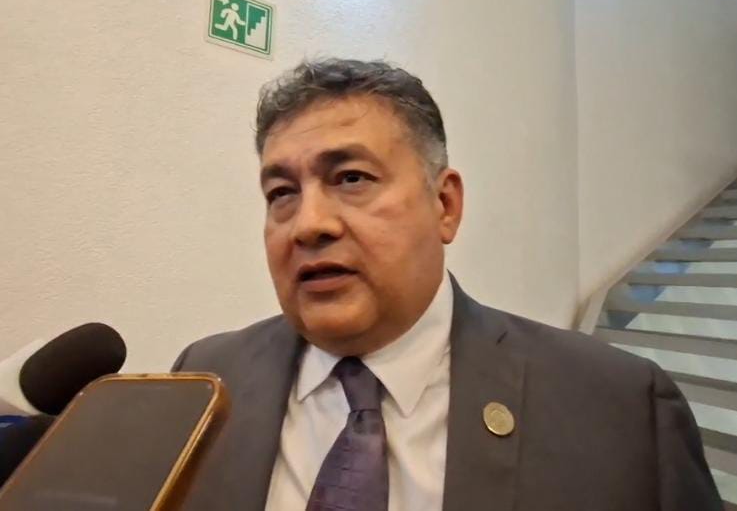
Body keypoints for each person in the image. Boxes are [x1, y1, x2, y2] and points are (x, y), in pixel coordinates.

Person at [173, 59, 722, 510]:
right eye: (281, 193)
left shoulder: (621, 409)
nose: (308, 224)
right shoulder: (205, 379)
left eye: (352, 178)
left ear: (445, 204)